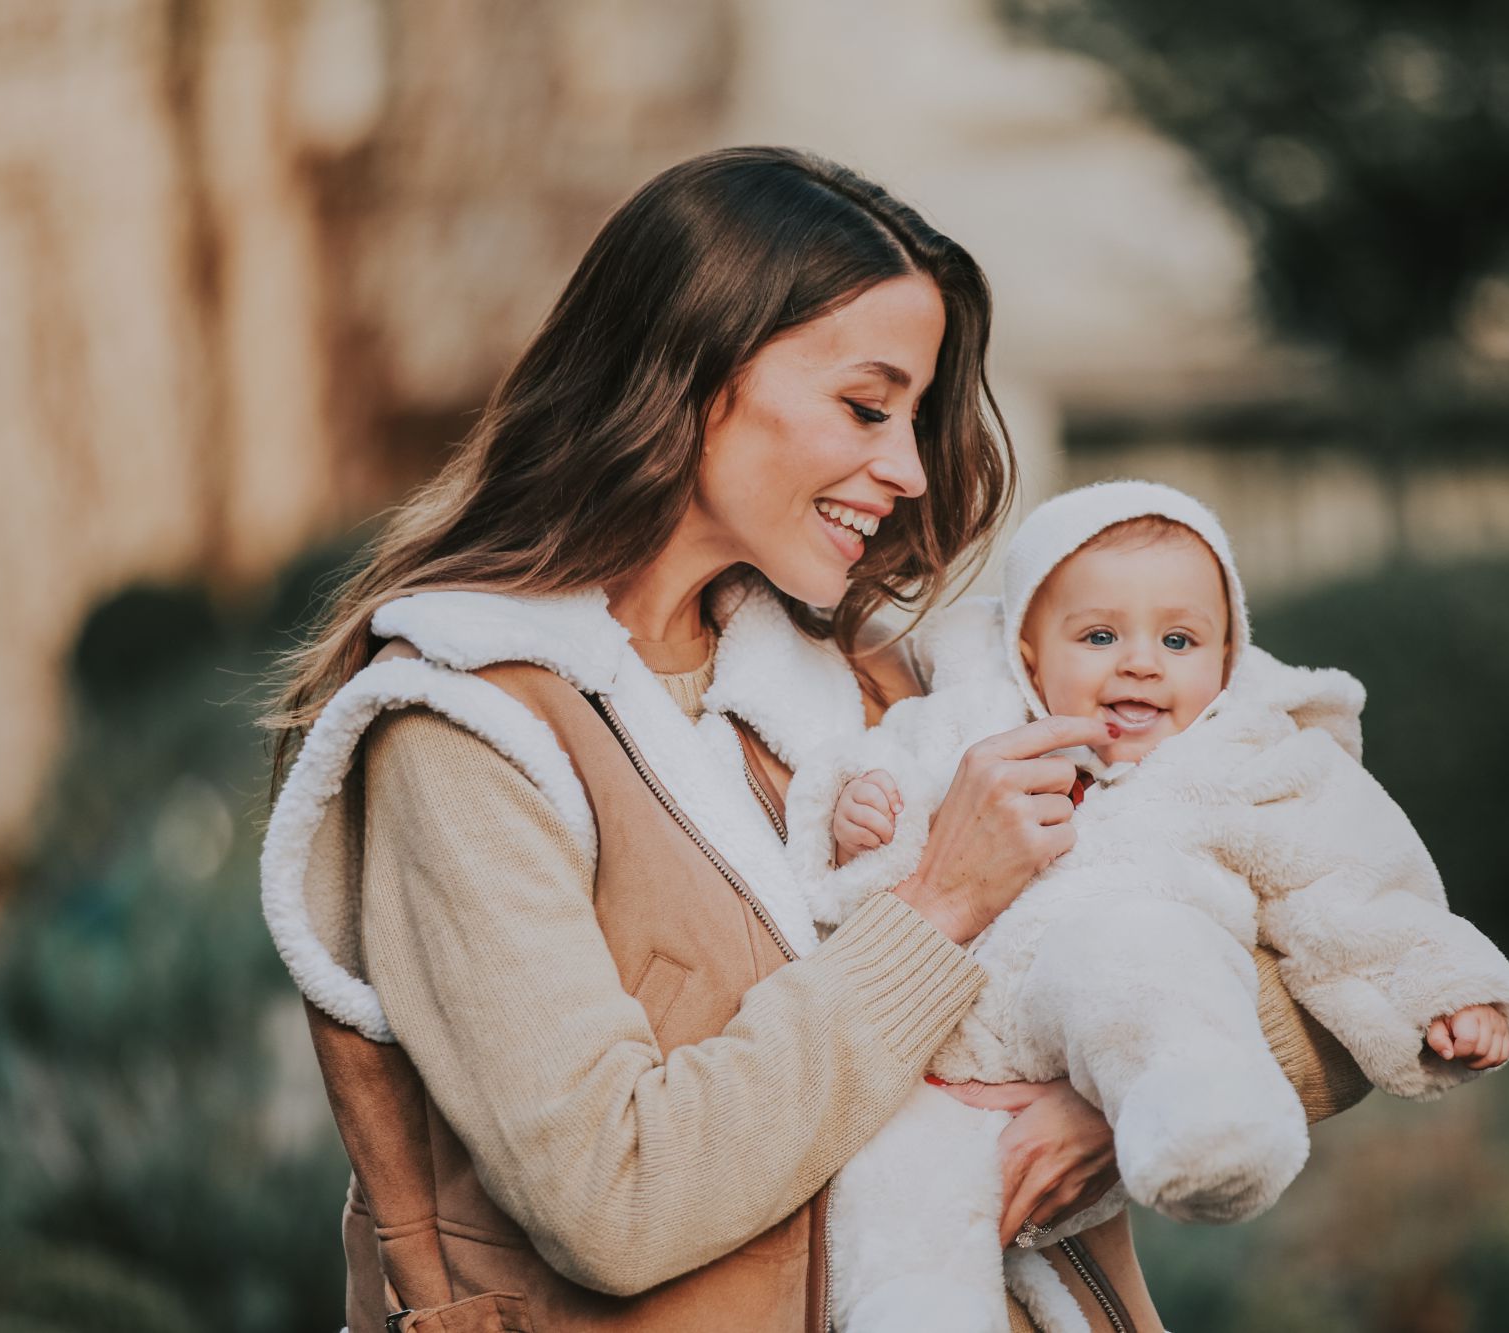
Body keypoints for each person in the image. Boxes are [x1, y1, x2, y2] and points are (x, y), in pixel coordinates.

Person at [261, 149, 1367, 1333]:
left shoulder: (888, 688)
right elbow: (611, 1197)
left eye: (916, 415)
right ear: (690, 373)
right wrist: (937, 906)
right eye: (863, 405)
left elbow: (1339, 953)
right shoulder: (466, 733)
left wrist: (1116, 1089)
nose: (903, 468)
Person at [789, 481, 1509, 1332]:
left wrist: (1441, 988)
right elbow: (888, 810)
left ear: (1227, 659)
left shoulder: (1249, 762)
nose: (1140, 661)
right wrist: (862, 819)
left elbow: (1353, 884)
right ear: (1029, 654)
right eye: (1100, 635)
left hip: (1118, 997)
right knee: (894, 1198)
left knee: (1142, 957)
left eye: (1178, 639)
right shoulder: (972, 728)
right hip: (942, 1065)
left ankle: (1205, 1119)